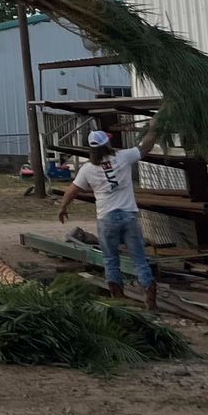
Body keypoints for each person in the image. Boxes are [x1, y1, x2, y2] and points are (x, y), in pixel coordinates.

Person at [58, 114, 161, 308]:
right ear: (107, 144)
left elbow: (72, 190)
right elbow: (146, 146)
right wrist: (153, 127)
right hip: (129, 216)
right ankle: (150, 298)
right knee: (139, 258)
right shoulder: (123, 157)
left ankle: (118, 299)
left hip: (106, 218)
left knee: (111, 259)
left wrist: (63, 208)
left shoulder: (87, 169)